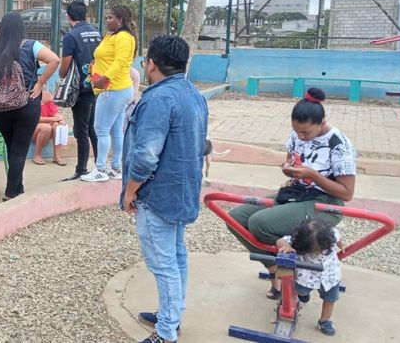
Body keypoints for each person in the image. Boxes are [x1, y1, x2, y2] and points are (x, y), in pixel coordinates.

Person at [227, 87, 356, 299]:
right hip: (296, 194)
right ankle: (275, 267)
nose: (301, 137)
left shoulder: (339, 144)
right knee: (235, 218)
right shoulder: (298, 134)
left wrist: (312, 175)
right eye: (297, 131)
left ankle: (287, 266)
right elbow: (291, 160)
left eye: (306, 133)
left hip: (325, 203)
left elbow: (347, 193)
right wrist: (288, 169)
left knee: (259, 223)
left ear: (322, 122)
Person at [121, 36, 208, 343]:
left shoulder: (158, 99)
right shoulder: (194, 94)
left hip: (158, 195)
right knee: (176, 254)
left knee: (163, 263)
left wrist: (130, 191)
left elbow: (146, 156)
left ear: (151, 64)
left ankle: (166, 332)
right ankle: (172, 314)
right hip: (182, 190)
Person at [0, 12, 60, 201]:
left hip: (1, 109)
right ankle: (10, 193)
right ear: (21, 27)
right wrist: (40, 83)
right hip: (27, 104)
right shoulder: (31, 45)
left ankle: (18, 187)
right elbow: (54, 60)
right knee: (19, 150)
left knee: (12, 147)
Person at [81, 5, 137, 183]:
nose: (107, 20)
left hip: (112, 89)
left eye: (110, 17)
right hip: (117, 89)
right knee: (115, 130)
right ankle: (115, 168)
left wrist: (103, 79)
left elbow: (120, 62)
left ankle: (100, 169)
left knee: (101, 129)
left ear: (120, 20)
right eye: (107, 17)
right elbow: (107, 57)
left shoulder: (123, 37)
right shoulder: (112, 36)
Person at [275, 218, 343, 336]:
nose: (314, 253)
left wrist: (342, 245)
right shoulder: (298, 240)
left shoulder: (332, 236)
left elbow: (338, 238)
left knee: (330, 300)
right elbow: (279, 241)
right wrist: (287, 246)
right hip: (306, 277)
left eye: (317, 250)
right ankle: (303, 295)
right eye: (310, 251)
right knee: (300, 290)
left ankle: (324, 321)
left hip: (330, 277)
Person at [58, 1, 103, 180]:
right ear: (85, 14)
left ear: (68, 16)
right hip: (97, 85)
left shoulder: (71, 36)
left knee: (81, 130)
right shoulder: (97, 33)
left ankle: (81, 170)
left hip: (81, 89)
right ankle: (99, 166)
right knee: (92, 128)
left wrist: (62, 75)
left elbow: (65, 64)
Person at [31, 90, 67, 166]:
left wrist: (60, 119)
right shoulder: (30, 95)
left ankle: (57, 156)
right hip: (31, 128)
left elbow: (55, 113)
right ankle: (37, 156)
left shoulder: (48, 96)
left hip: (47, 127)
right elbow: (34, 118)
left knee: (57, 125)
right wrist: (52, 119)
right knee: (46, 127)